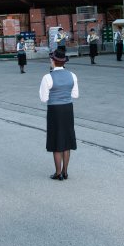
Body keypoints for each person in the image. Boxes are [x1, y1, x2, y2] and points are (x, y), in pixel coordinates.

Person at [39, 49, 79, 180]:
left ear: (53, 61)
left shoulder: (47, 77)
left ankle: (57, 172)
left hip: (54, 110)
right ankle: (65, 171)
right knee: (66, 138)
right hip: (68, 108)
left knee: (56, 139)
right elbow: (75, 95)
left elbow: (44, 98)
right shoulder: (72, 75)